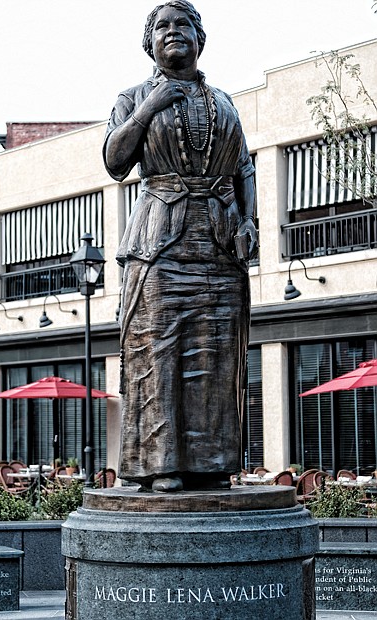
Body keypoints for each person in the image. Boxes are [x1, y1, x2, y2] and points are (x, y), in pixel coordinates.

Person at [103, 0, 257, 492]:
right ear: (149, 43)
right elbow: (114, 161)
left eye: (183, 24)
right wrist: (151, 107)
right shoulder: (132, 97)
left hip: (218, 243)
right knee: (157, 353)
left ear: (200, 38)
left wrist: (250, 220)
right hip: (159, 244)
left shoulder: (225, 101)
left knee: (216, 355)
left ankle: (211, 463)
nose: (174, 32)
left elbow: (244, 168)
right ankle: (158, 465)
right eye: (163, 26)